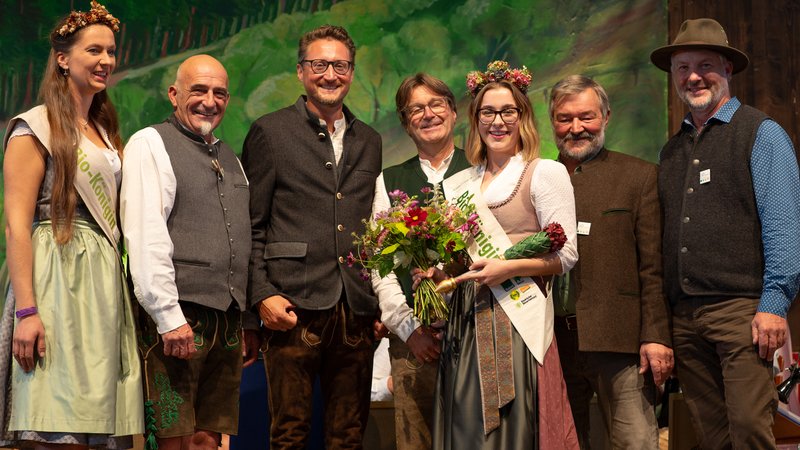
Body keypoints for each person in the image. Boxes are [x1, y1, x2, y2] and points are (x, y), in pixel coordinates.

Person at [650, 18, 800, 448]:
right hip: (686, 319)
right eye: (683, 67)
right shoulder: (672, 149)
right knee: (713, 438)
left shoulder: (761, 133)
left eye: (705, 65)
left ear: (728, 70)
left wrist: (774, 303)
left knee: (751, 430)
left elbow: (785, 224)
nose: (693, 76)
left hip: (742, 313)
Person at [0, 1, 143, 448]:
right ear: (63, 58)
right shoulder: (34, 127)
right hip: (57, 278)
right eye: (94, 51)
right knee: (57, 423)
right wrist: (27, 312)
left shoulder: (104, 127)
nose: (106, 61)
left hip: (102, 285)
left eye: (111, 51)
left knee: (100, 424)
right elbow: (17, 227)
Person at [420, 62, 579, 449]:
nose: (498, 121)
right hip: (466, 320)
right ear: (475, 120)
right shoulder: (460, 182)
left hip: (518, 317)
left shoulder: (544, 173)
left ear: (523, 116)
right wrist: (436, 274)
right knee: (466, 424)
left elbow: (567, 255)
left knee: (513, 427)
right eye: (487, 112)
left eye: (508, 111)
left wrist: (505, 267)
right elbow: (460, 259)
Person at [241, 24, 382, 449]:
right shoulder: (270, 131)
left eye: (340, 65)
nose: (329, 74)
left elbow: (376, 227)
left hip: (355, 308)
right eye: (319, 64)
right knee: (289, 434)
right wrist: (260, 294)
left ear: (351, 73)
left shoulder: (369, 140)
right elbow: (251, 225)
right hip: (291, 306)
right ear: (301, 72)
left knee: (348, 435)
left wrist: (377, 301)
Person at [120, 54, 259, 450]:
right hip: (179, 317)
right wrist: (167, 317)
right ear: (174, 94)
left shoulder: (228, 155)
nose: (209, 101)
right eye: (198, 90)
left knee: (208, 440)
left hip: (226, 320)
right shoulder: (151, 143)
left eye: (219, 93)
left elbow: (241, 239)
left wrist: (245, 318)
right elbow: (145, 236)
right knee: (171, 437)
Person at [548, 74, 673, 449]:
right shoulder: (537, 178)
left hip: (620, 342)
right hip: (551, 343)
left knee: (634, 442)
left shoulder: (639, 177)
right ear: (551, 121)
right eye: (564, 118)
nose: (575, 128)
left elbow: (654, 267)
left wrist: (655, 335)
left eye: (586, 116)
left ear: (606, 117)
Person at [370, 73, 471, 449]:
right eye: (416, 109)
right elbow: (379, 263)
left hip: (476, 334)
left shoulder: (481, 172)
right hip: (414, 342)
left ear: (454, 112)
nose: (428, 115)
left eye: (436, 105)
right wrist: (409, 329)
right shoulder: (389, 180)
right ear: (404, 121)